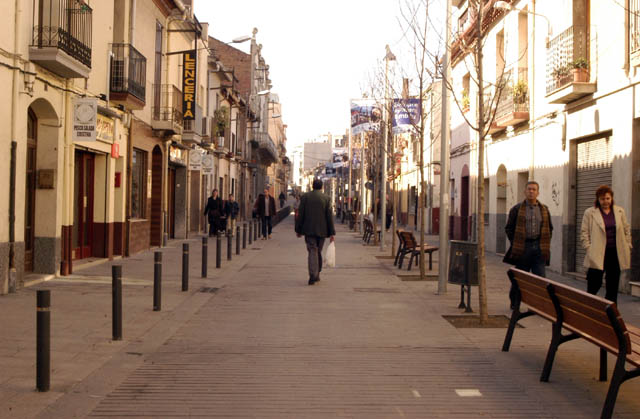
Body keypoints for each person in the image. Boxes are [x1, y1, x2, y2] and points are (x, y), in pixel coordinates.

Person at [503, 181, 554, 309]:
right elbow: (509, 228)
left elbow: (549, 228)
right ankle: (515, 302)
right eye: (529, 189)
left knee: (540, 279)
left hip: (539, 248)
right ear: (525, 192)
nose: (531, 192)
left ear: (538, 193)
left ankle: (539, 306)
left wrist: (543, 243)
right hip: (523, 248)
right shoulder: (516, 209)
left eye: (534, 189)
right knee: (520, 278)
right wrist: (516, 243)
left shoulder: (544, 210)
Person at [580, 185, 632, 304]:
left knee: (612, 286)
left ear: (612, 198)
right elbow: (584, 232)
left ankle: (611, 316)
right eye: (602, 199)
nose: (605, 201)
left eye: (608, 198)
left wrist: (628, 244)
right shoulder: (590, 212)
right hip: (598, 253)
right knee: (594, 284)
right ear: (598, 199)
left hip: (615, 253)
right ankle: (589, 311)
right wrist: (589, 248)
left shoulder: (619, 211)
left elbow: (626, 229)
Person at [295, 178, 336, 285]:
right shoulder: (326, 198)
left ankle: (313, 275)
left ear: (312, 186)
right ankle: (316, 273)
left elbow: (301, 214)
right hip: (322, 230)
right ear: (322, 187)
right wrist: (332, 233)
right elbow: (329, 216)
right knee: (318, 251)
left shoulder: (305, 197)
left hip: (308, 229)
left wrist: (298, 229)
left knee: (312, 250)